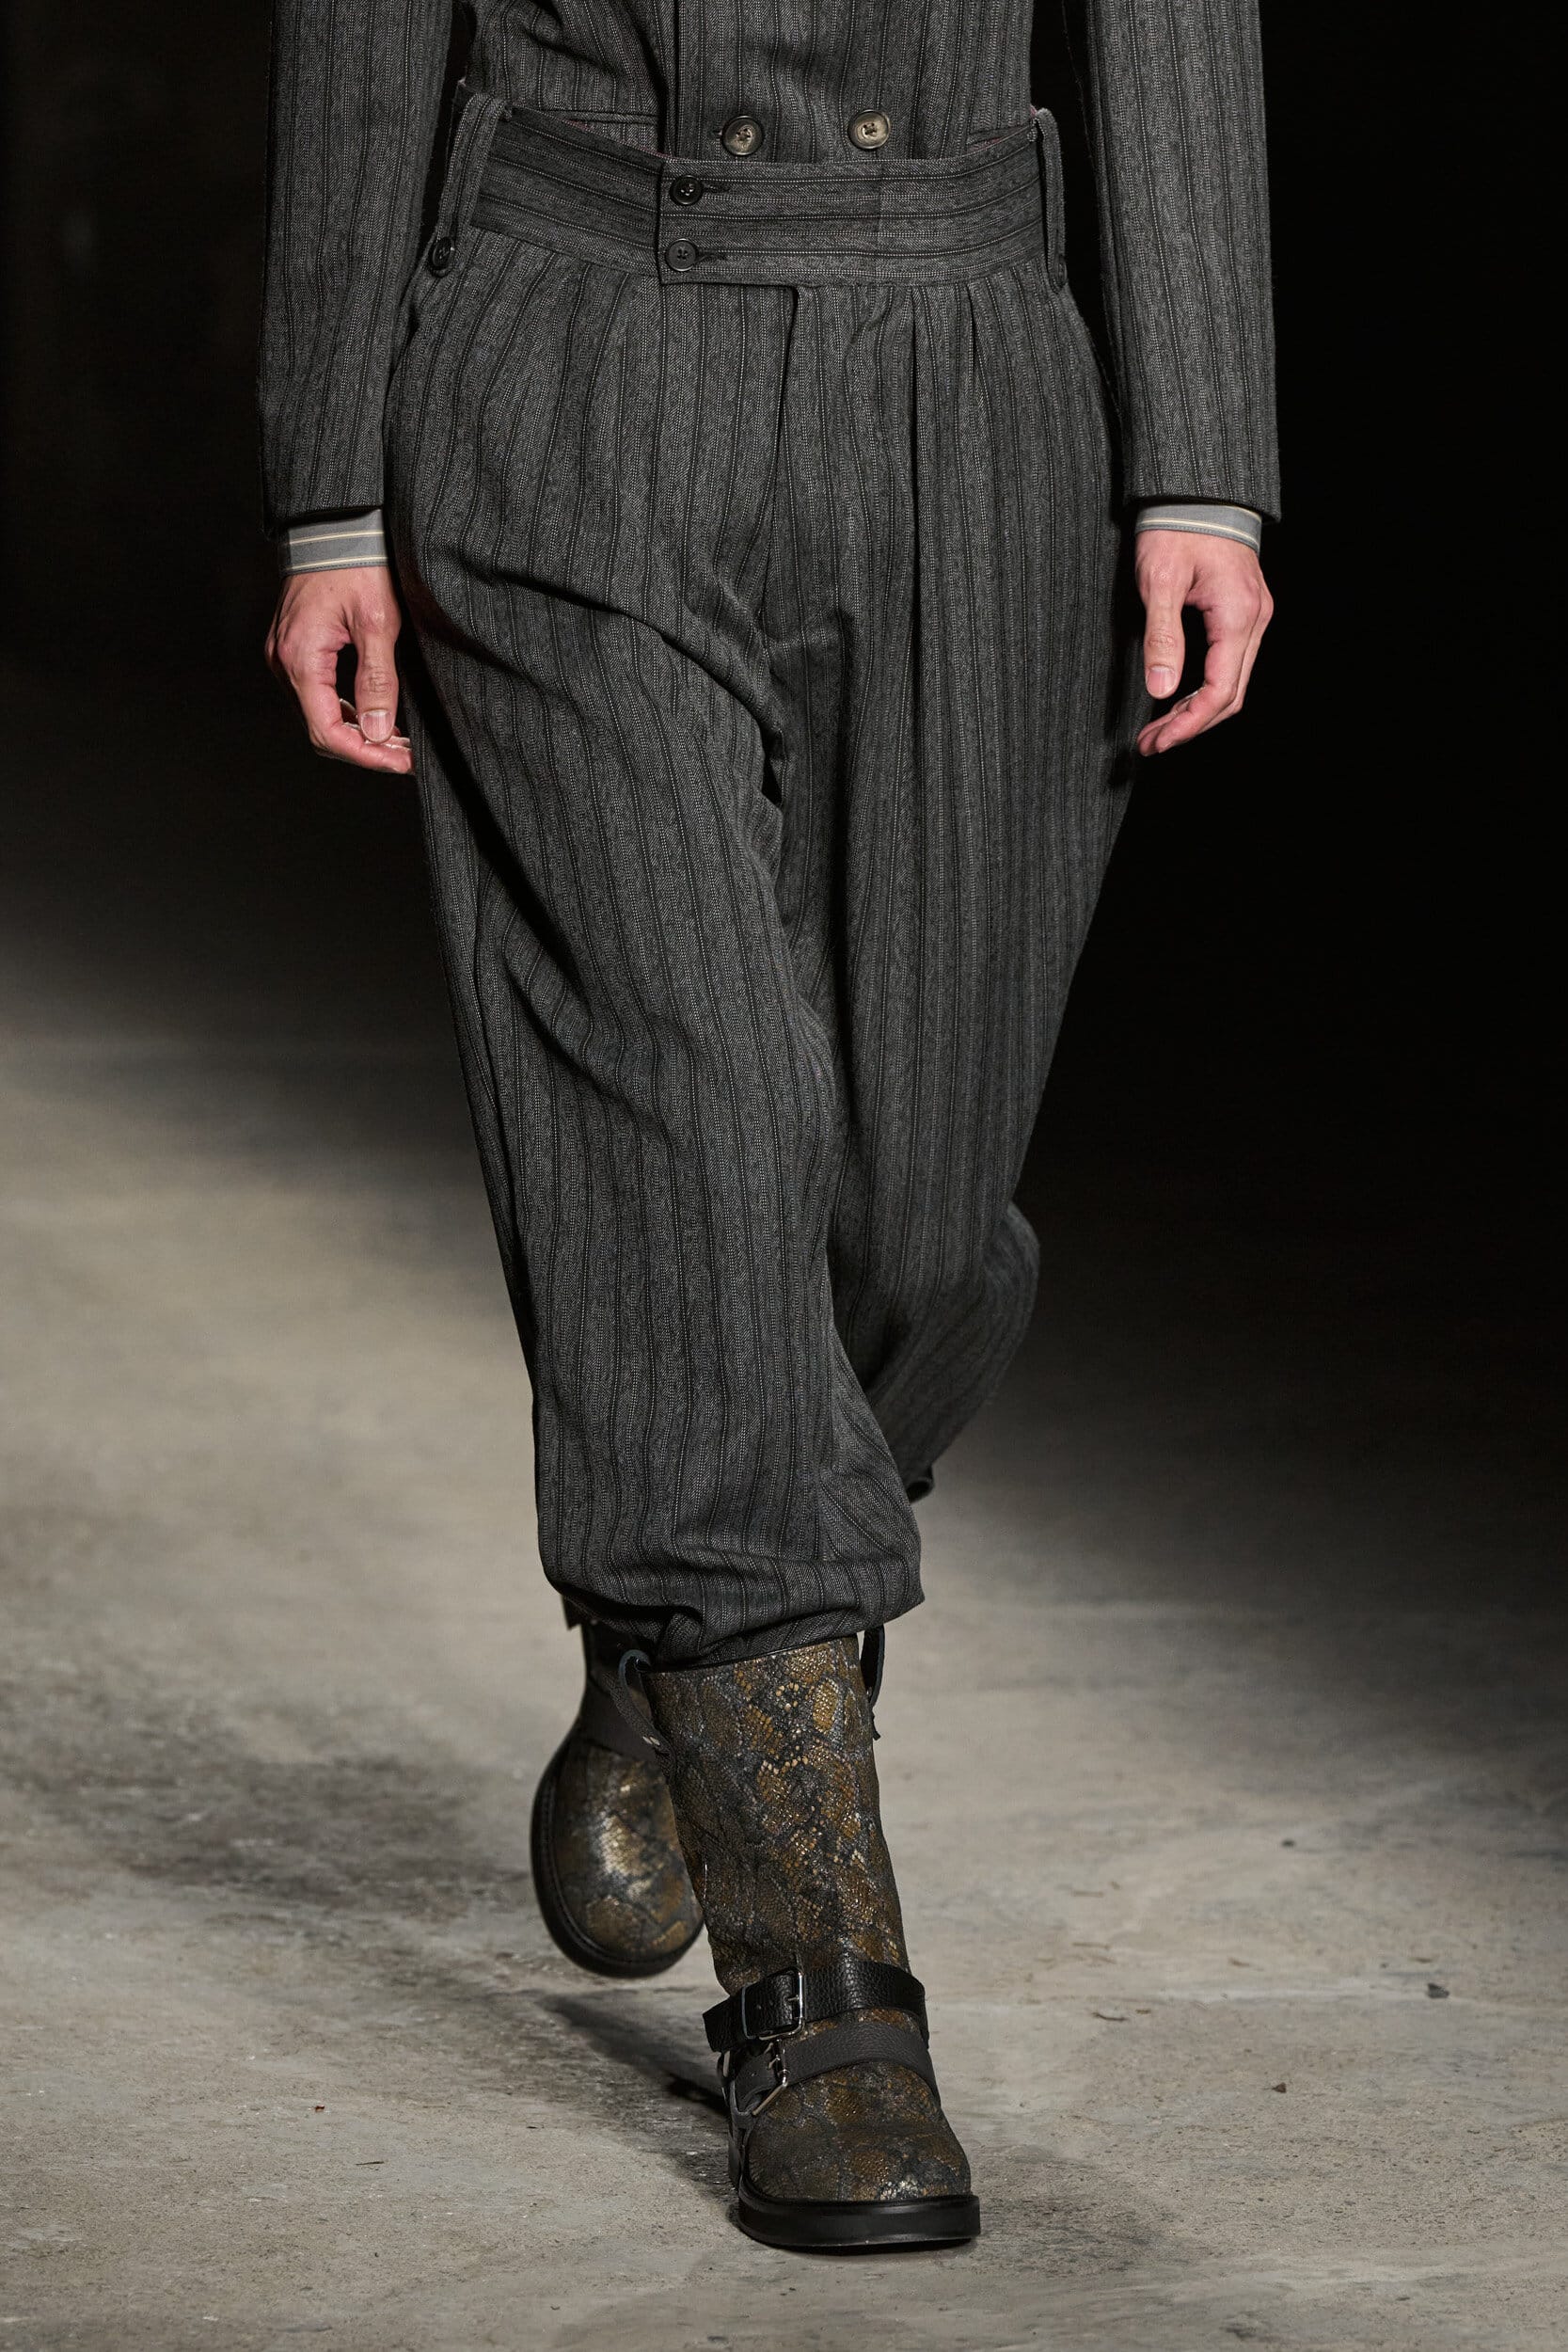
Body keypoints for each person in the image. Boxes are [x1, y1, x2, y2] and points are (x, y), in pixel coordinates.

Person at [261, 0, 1276, 2252]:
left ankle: (683, 1637)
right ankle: (824, 1992)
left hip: (973, 366)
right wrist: (329, 479)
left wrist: (1204, 452)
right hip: (571, 347)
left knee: (914, 1227)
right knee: (684, 1136)